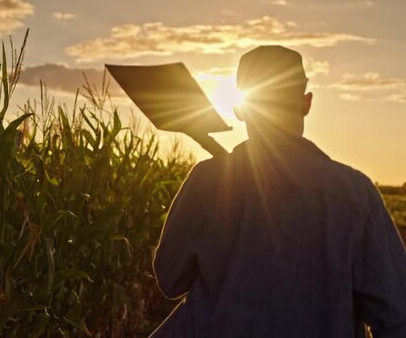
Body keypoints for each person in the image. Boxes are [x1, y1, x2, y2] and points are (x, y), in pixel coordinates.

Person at [151, 45, 406, 338]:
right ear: (306, 103)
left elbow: (170, 279)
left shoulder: (207, 181)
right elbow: (396, 315)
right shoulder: (355, 195)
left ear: (240, 110)